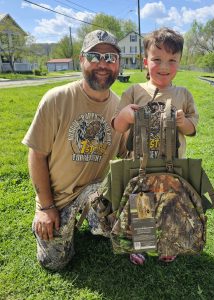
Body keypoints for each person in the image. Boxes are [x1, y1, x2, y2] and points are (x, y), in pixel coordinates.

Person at [22, 30, 126, 271]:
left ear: (118, 64)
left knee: (115, 209)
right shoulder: (56, 99)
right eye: (94, 56)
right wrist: (46, 207)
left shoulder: (121, 109)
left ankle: (96, 221)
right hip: (58, 198)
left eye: (110, 57)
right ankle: (52, 221)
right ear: (81, 59)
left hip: (95, 193)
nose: (103, 64)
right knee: (54, 263)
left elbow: (128, 155)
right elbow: (36, 154)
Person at [112, 27, 199, 263]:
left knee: (171, 206)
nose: (164, 67)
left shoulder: (183, 94)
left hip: (172, 166)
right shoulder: (134, 91)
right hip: (140, 165)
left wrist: (183, 122)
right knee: (142, 204)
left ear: (179, 62)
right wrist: (127, 116)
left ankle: (169, 244)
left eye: (172, 60)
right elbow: (118, 126)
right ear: (145, 61)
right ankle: (141, 245)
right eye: (157, 59)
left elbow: (193, 129)